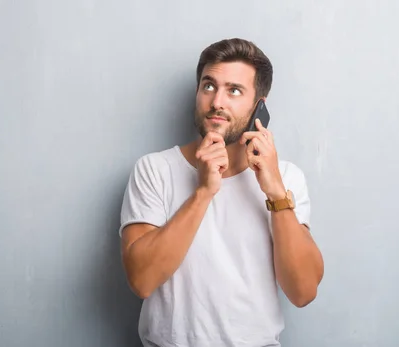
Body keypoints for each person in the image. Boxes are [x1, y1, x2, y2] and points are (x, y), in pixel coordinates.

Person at [118, 38, 324, 347]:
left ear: (260, 106)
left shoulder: (287, 178)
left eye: (234, 91)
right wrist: (203, 192)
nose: (217, 102)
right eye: (209, 86)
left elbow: (303, 291)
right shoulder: (154, 170)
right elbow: (142, 281)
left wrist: (275, 191)